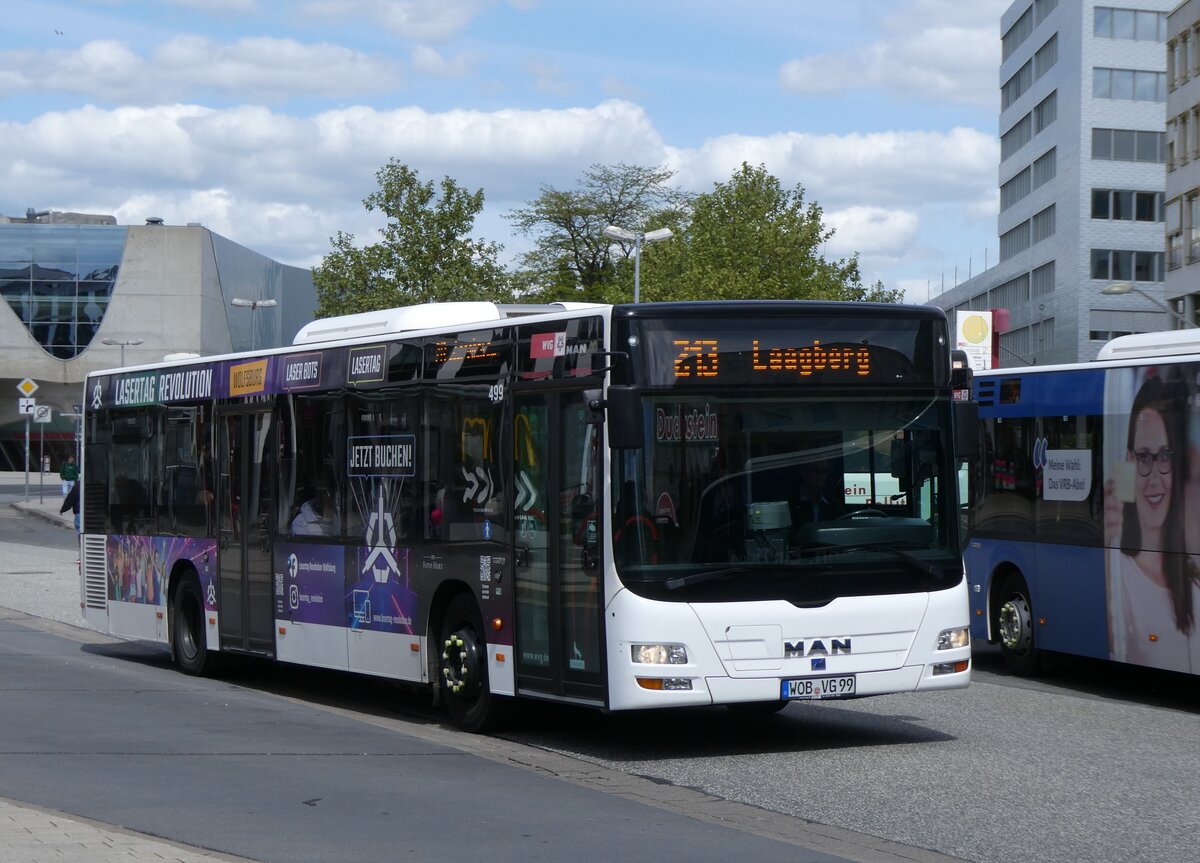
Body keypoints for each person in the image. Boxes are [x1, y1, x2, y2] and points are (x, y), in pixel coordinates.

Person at [1105, 374, 1199, 671]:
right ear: (1129, 460)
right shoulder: (1116, 577)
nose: (1155, 478)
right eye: (1145, 458)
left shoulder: (1192, 579)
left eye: (1165, 456)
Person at [793, 458, 844, 524]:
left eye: (824, 470)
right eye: (816, 470)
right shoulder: (792, 503)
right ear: (803, 473)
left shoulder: (833, 504)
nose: (821, 474)